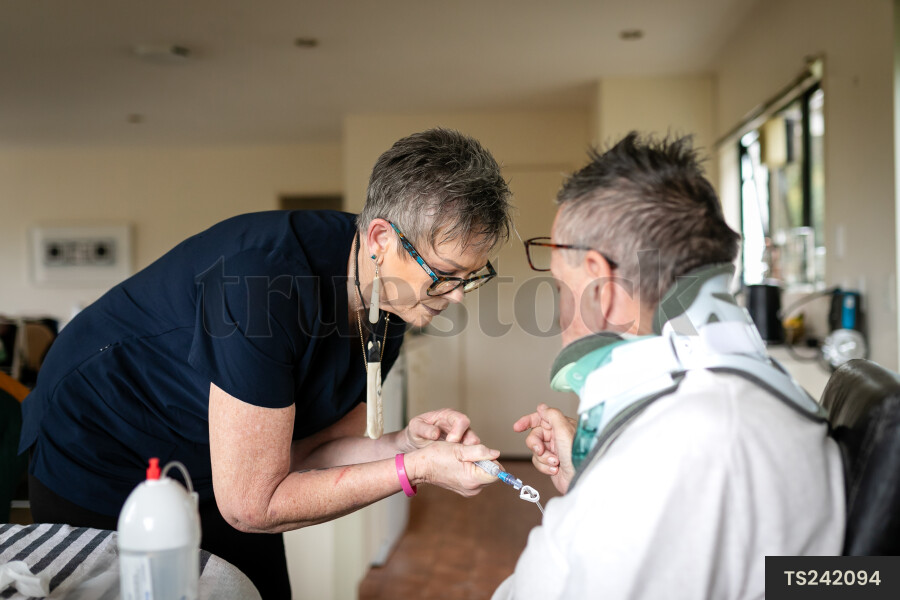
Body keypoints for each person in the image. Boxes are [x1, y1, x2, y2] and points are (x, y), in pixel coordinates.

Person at [19, 128, 511, 599]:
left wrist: (402, 444)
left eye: (471, 277)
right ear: (381, 238)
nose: (458, 297)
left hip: (219, 464)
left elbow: (316, 451)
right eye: (445, 275)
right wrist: (414, 469)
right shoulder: (261, 283)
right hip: (102, 443)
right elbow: (254, 506)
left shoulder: (393, 299)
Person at [494, 133, 844, 599]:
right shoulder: (738, 401)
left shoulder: (678, 450)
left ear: (603, 288)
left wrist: (609, 486)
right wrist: (589, 476)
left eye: (561, 286)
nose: (559, 311)